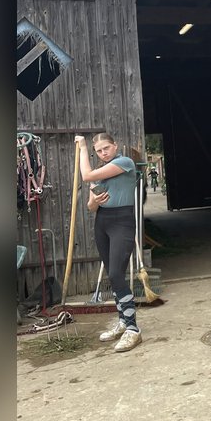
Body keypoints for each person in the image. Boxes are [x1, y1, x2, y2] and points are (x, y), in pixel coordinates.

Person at [75, 132, 142, 352]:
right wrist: (94, 200)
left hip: (122, 222)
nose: (103, 153)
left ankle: (133, 330)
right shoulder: (101, 175)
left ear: (115, 145)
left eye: (106, 148)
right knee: (114, 277)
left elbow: (86, 176)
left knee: (115, 274)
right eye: (98, 151)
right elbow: (90, 207)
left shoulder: (125, 162)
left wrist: (83, 147)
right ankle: (123, 321)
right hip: (102, 222)